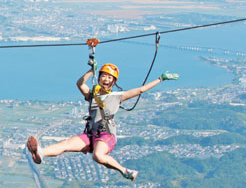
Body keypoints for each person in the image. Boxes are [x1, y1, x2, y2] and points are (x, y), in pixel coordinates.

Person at [26, 62, 179, 181]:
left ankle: (125, 171)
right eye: (103, 76)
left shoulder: (118, 96)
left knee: (98, 156)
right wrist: (91, 71)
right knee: (66, 144)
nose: (106, 79)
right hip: (91, 134)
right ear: (99, 78)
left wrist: (160, 79)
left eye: (110, 77)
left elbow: (140, 90)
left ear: (113, 82)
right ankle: (40, 154)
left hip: (106, 135)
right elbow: (80, 84)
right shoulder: (92, 94)